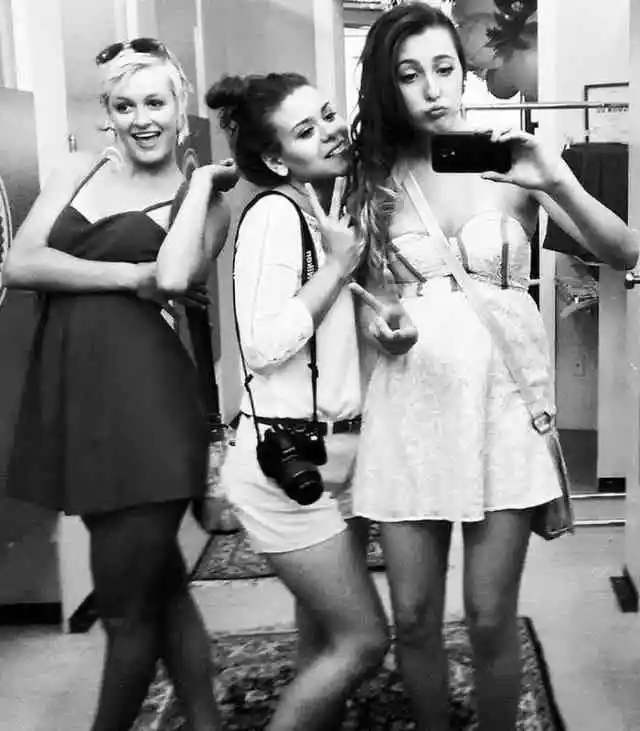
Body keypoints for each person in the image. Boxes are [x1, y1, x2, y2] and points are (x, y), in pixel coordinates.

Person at [346, 4, 639, 731]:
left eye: (444, 67)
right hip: (408, 410)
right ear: (388, 85)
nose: (432, 88)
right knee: (414, 616)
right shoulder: (373, 179)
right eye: (409, 74)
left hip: (502, 410)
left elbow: (624, 250)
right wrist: (380, 327)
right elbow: (369, 300)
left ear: (465, 72)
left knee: (486, 615)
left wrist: (556, 180)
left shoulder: (513, 162)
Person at [3, 37, 237, 731]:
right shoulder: (78, 169)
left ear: (179, 108)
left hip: (147, 409)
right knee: (162, 590)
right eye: (125, 105)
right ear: (107, 112)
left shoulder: (202, 199)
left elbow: (177, 275)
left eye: (155, 103)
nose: (142, 119)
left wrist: (199, 185)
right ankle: (207, 721)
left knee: (125, 612)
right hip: (75, 398)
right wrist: (130, 275)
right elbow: (20, 263)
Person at [204, 72, 390, 731]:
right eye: (306, 130)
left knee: (324, 638)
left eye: (329, 115)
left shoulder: (324, 210)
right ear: (278, 158)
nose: (331, 132)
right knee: (364, 641)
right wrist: (337, 267)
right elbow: (263, 345)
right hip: (285, 464)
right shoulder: (274, 215)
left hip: (339, 457)